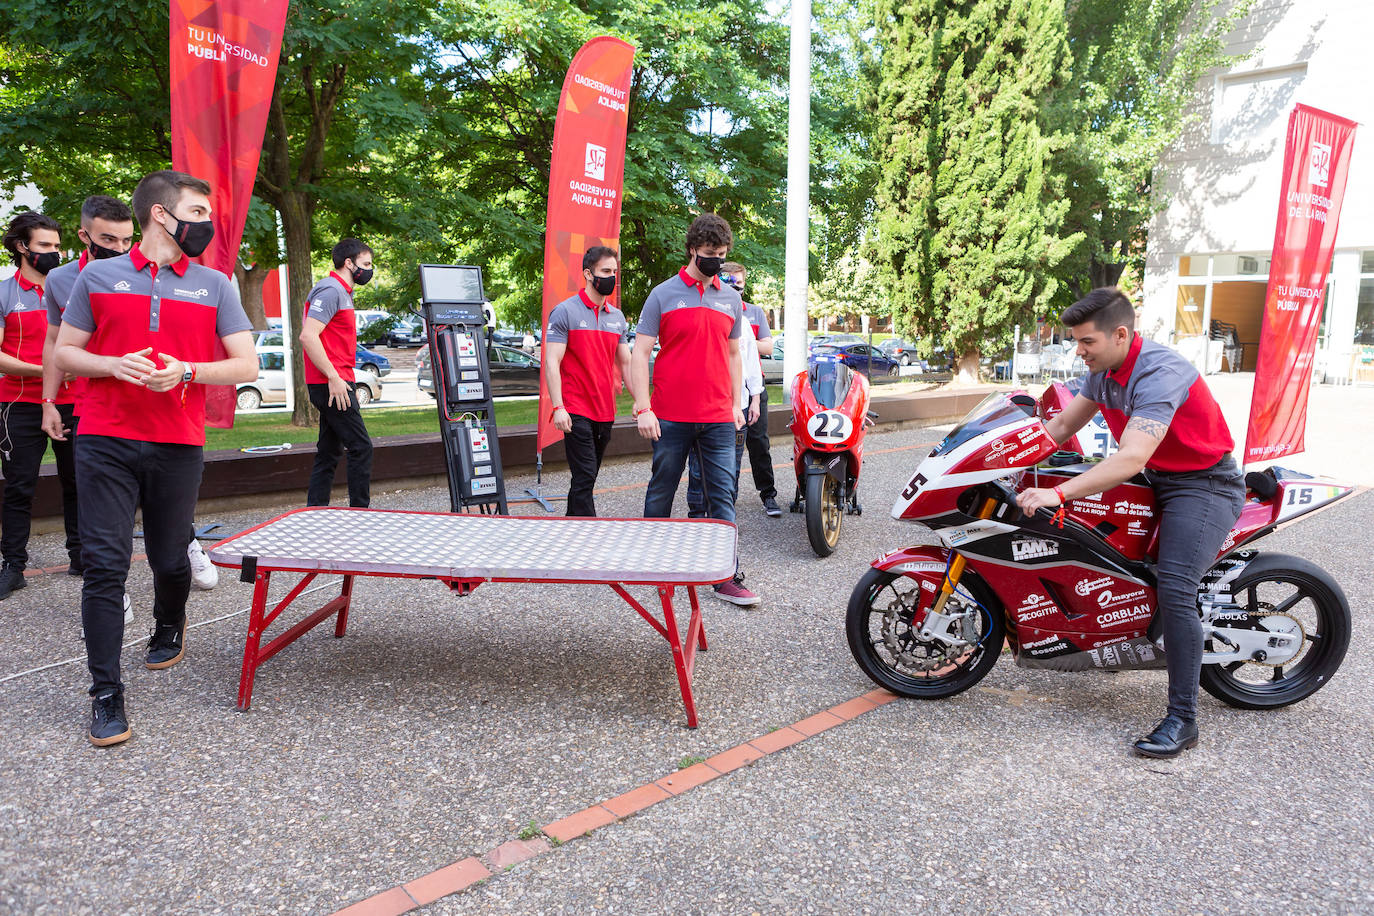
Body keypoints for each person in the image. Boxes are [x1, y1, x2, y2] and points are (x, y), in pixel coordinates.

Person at [54, 169, 257, 747]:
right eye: (197, 211)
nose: (207, 223)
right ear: (162, 216)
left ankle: (170, 620)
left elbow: (246, 366)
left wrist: (186, 371)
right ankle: (105, 692)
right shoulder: (98, 276)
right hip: (104, 440)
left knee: (172, 561)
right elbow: (67, 352)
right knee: (105, 565)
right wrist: (113, 364)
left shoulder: (215, 284)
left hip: (177, 442)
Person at [1015, 287, 1245, 759]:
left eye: (1086, 342)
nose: (1078, 351)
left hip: (1202, 485)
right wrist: (993, 455)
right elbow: (1059, 429)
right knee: (1087, 544)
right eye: (1075, 341)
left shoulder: (1161, 371)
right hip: (1154, 477)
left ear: (1120, 334)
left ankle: (1183, 719)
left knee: (1176, 589)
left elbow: (1130, 457)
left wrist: (1054, 493)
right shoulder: (1104, 370)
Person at [43, 196, 219, 594]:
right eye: (108, 239)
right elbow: (55, 344)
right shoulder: (64, 279)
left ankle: (183, 542)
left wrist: (185, 371)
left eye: (126, 239)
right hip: (93, 407)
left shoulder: (169, 273)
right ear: (84, 235)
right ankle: (106, 584)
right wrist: (49, 401)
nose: (120, 248)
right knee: (95, 509)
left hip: (162, 413)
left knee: (165, 504)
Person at [630, 214, 759, 607]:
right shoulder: (663, 294)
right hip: (669, 415)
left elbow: (735, 354)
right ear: (691, 250)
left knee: (723, 497)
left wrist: (737, 403)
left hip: (720, 416)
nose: (715, 261)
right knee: (662, 490)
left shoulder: (731, 298)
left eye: (721, 255)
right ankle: (654, 567)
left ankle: (725, 576)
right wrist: (642, 407)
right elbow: (639, 353)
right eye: (708, 254)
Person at [0, 212, 79, 600]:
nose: (54, 252)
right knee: (18, 487)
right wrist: (50, 369)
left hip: (75, 402)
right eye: (44, 245)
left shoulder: (73, 287)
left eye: (56, 245)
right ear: (21, 247)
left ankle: (81, 557)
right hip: (17, 403)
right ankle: (13, 565)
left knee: (79, 483)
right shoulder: (3, 293)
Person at [542, 246, 631, 516]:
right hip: (575, 407)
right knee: (585, 473)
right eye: (606, 271)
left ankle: (573, 524)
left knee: (587, 476)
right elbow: (551, 362)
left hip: (605, 408)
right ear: (588, 274)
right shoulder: (564, 312)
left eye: (615, 272)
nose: (611, 277)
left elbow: (626, 362)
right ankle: (587, 531)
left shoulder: (617, 318)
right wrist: (558, 407)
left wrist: (641, 401)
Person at [300, 238, 375, 508]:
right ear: (348, 263)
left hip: (335, 380)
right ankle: (359, 514)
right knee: (361, 447)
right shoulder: (331, 290)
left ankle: (315, 511)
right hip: (333, 382)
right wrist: (333, 377)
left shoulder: (341, 292)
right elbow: (308, 336)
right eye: (366, 264)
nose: (370, 269)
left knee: (329, 451)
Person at [724, 261, 779, 516]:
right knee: (729, 451)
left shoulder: (753, 313)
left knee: (759, 444)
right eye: (730, 284)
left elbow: (768, 347)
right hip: (727, 390)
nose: (736, 290)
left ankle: (768, 495)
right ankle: (726, 503)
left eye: (740, 286)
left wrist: (742, 342)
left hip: (754, 388)